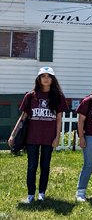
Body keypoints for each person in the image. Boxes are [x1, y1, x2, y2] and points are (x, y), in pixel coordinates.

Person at [8, 67, 68, 203]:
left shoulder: (58, 97)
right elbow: (23, 117)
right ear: (39, 79)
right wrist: (13, 134)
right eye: (43, 76)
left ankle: (41, 193)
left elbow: (59, 119)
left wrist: (57, 137)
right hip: (32, 137)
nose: (46, 78)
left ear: (53, 79)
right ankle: (30, 194)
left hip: (48, 137)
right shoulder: (30, 96)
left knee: (45, 166)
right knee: (31, 166)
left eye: (49, 76)